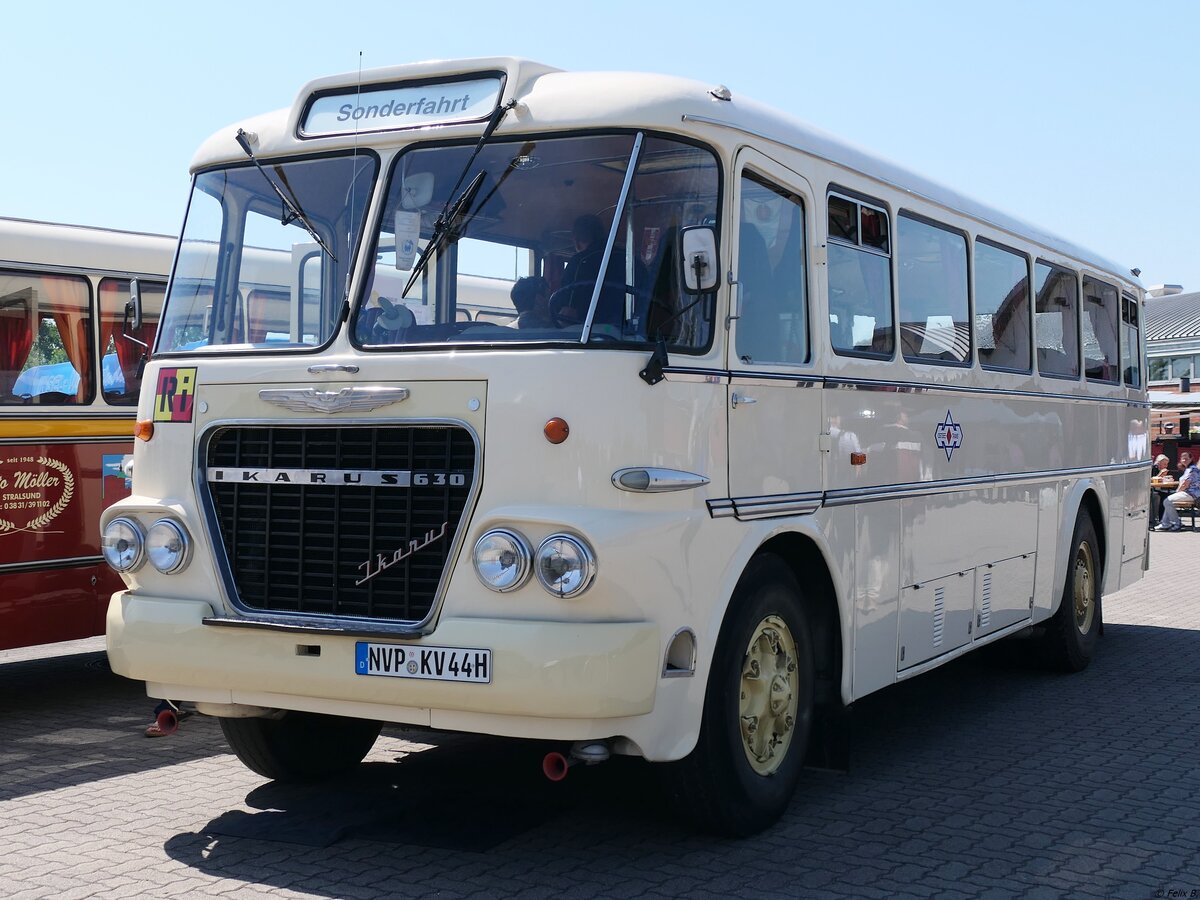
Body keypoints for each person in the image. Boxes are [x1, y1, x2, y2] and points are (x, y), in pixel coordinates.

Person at [551, 214, 628, 327]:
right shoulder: (629, 259)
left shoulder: (579, 262)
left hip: (588, 330)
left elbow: (567, 309)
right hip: (628, 330)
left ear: (576, 241)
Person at [1156, 451, 1199, 532]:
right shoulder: (1188, 469)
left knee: (1167, 501)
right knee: (1168, 501)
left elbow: (1185, 484)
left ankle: (1176, 523)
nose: (1184, 460)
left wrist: (1177, 492)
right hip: (1187, 493)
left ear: (1191, 459)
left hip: (1191, 494)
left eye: (1186, 459)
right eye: (1183, 459)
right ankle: (1165, 523)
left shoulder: (1192, 469)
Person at [1150, 454, 1177, 527]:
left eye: (1167, 464)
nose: (1166, 466)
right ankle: (1160, 519)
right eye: (1164, 464)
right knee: (1161, 497)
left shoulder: (1162, 470)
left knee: (1167, 497)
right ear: (1159, 463)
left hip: (1159, 489)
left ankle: (1165, 520)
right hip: (1151, 489)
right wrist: (1160, 474)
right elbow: (1152, 480)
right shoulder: (1153, 468)